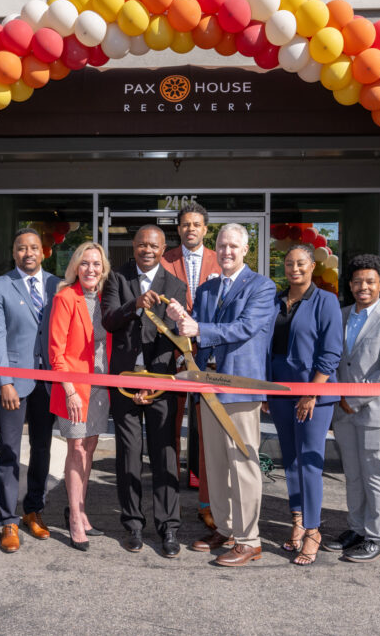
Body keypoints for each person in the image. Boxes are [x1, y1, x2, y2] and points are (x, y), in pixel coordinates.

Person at [169, 223, 277, 568]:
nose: (227, 252)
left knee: (244, 464)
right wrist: (180, 319)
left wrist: (198, 327)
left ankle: (249, 539)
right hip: (207, 387)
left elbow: (245, 328)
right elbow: (194, 333)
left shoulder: (262, 286)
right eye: (223, 246)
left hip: (240, 387)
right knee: (214, 463)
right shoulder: (207, 287)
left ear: (246, 250)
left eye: (234, 246)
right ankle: (226, 528)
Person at [102, 225, 188, 558]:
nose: (146, 250)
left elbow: (177, 339)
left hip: (161, 382)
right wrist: (134, 304)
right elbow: (109, 320)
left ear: (164, 248)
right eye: (140, 245)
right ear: (133, 247)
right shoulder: (117, 278)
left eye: (153, 245)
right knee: (127, 454)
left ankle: (168, 527)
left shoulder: (176, 285)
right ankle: (133, 524)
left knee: (164, 454)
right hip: (124, 380)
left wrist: (153, 383)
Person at [324, 254, 380, 563]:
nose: (363, 286)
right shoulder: (341, 314)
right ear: (350, 284)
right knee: (353, 474)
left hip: (374, 411)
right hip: (342, 411)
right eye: (358, 281)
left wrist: (352, 400)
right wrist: (337, 399)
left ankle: (377, 537)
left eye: (370, 281)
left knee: (373, 473)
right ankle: (356, 529)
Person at [0, 228, 60, 553]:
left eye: (33, 248)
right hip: (14, 382)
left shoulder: (58, 285)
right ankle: (7, 520)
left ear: (43, 252)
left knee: (42, 449)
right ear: (14, 253)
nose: (27, 253)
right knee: (9, 452)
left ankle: (33, 509)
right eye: (20, 248)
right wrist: (5, 382)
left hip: (48, 382)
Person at [266, 243, 343, 566]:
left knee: (309, 464)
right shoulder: (275, 300)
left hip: (315, 394)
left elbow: (331, 351)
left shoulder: (325, 301)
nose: (294, 268)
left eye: (300, 263)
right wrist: (266, 390)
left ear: (312, 266)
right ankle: (297, 521)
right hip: (279, 393)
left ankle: (313, 530)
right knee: (291, 461)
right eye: (288, 263)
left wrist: (312, 393)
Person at [160, 201, 221, 530]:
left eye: (197, 224)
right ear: (179, 229)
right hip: (173, 356)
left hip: (210, 356)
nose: (191, 229)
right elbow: (156, 307)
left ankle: (206, 503)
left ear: (205, 229)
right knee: (169, 430)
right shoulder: (165, 260)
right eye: (185, 224)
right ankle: (169, 505)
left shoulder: (218, 259)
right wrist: (180, 347)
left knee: (207, 433)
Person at [49, 242, 112, 552]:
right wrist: (70, 389)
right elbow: (56, 351)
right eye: (85, 263)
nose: (91, 269)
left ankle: (82, 509)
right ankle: (74, 517)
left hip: (100, 387)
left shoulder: (103, 299)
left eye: (96, 264)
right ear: (76, 267)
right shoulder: (65, 298)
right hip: (74, 388)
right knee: (76, 448)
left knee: (89, 446)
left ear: (103, 269)